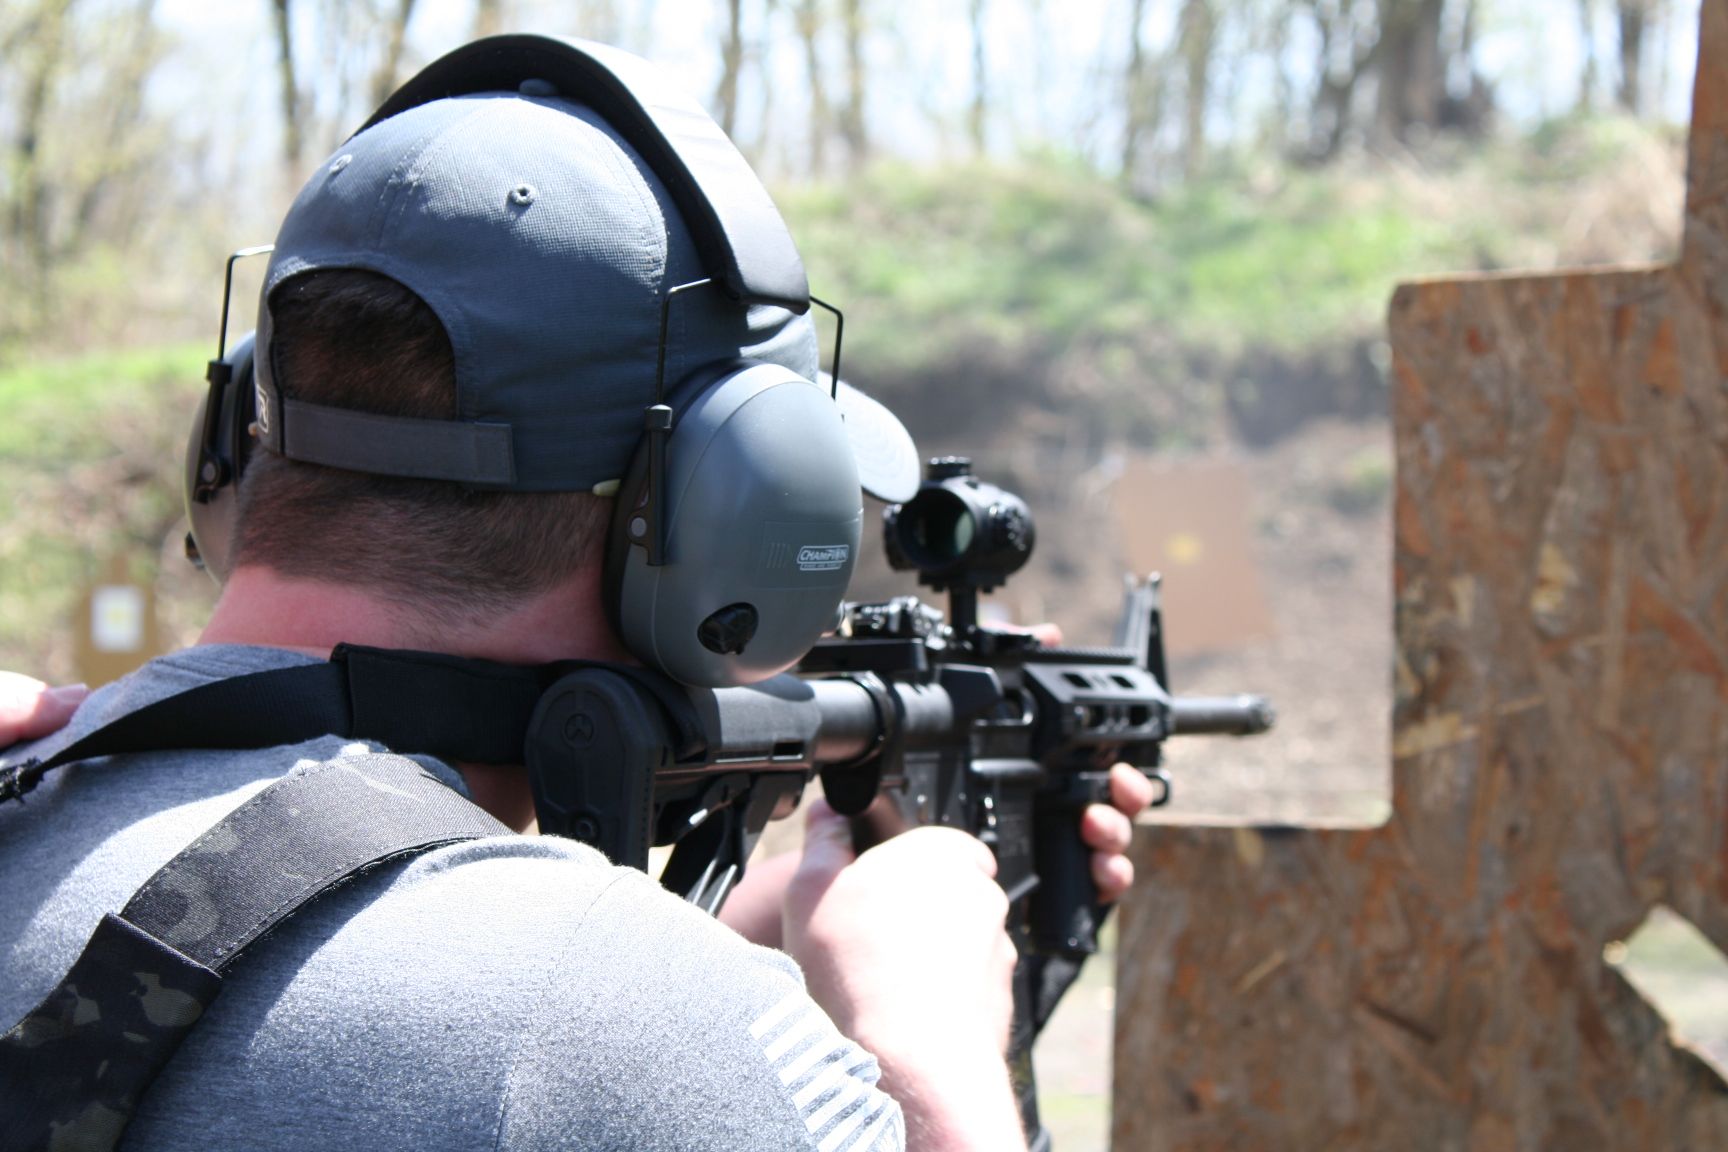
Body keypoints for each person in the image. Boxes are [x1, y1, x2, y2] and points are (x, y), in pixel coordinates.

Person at [0, 38, 1152, 1152]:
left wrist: (733, 949)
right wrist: (931, 1048)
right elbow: (580, 1038)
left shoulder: (22, 814)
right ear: (729, 519)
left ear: (234, 444)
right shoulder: (622, 1030)